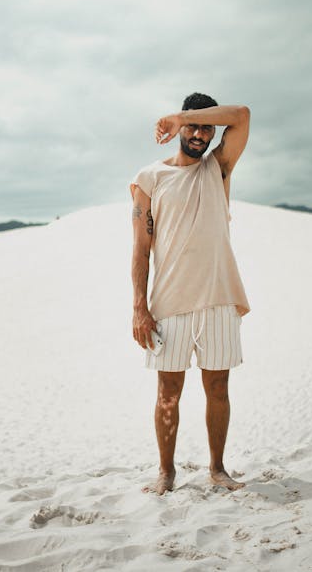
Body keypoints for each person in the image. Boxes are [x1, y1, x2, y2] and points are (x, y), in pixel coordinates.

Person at [130, 92, 251, 495]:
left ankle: (217, 469)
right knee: (168, 394)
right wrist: (139, 308)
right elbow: (141, 250)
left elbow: (242, 115)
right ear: (181, 131)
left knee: (218, 389)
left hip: (218, 297)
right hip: (169, 304)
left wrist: (181, 114)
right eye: (192, 127)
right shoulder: (150, 178)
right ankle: (166, 473)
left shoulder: (218, 168)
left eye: (205, 128)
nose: (199, 134)